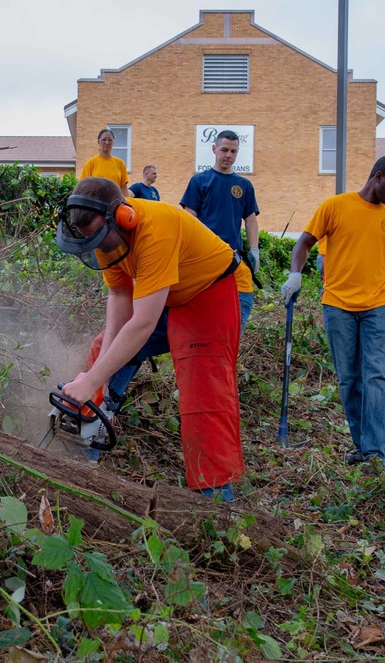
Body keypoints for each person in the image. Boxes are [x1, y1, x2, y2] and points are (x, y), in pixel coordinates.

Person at [57, 177, 250, 501]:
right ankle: (84, 450)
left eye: (101, 240)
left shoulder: (155, 230)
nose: (99, 248)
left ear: (123, 217)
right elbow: (120, 297)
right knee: (102, 352)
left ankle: (217, 505)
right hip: (169, 293)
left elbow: (142, 323)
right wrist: (96, 382)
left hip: (213, 290)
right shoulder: (103, 234)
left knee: (202, 390)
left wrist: (92, 382)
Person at [280, 155, 385, 469]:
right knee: (349, 379)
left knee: (377, 376)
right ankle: (362, 447)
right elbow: (304, 243)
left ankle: (375, 452)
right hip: (337, 306)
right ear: (378, 177)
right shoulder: (335, 206)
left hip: (378, 307)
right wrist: (295, 273)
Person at [180, 130, 259, 329]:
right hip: (204, 258)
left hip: (232, 260)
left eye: (233, 151)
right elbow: (189, 217)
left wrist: (255, 250)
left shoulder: (244, 185)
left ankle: (227, 354)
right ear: (214, 149)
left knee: (232, 315)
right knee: (203, 313)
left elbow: (250, 220)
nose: (228, 155)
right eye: (224, 150)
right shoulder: (199, 181)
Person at [78, 129, 128, 194]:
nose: (107, 142)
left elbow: (124, 188)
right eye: (104, 139)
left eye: (110, 140)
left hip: (116, 202)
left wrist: (126, 203)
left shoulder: (120, 163)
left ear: (113, 142)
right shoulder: (91, 163)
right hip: (96, 202)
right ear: (98, 142)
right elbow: (83, 187)